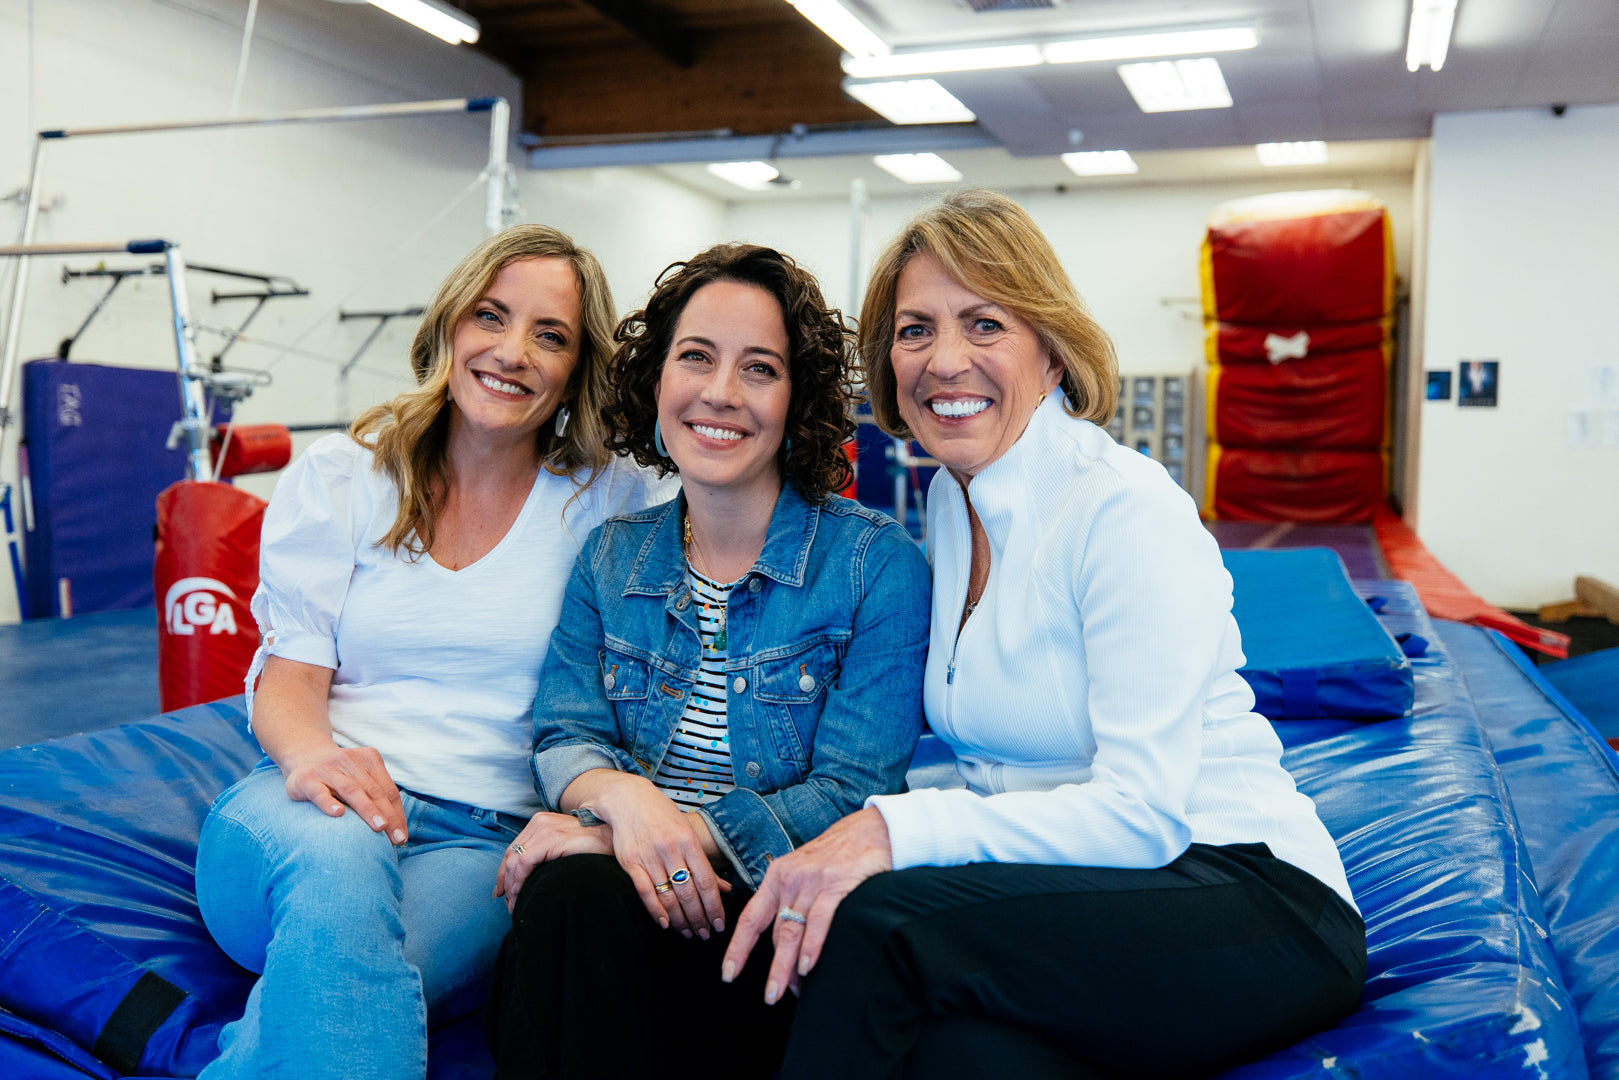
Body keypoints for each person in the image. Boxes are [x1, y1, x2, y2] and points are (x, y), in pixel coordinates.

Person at [723, 189, 1367, 1080]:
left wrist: (889, 832)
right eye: (914, 330)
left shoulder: (1123, 509)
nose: (944, 360)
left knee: (881, 923)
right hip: (1087, 891)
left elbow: (1143, 814)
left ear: (1051, 352)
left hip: (1245, 893)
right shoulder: (951, 505)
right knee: (958, 1055)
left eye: (983, 323)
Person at [193, 224, 676, 1080]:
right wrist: (313, 761)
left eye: (550, 336)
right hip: (311, 812)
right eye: (491, 316)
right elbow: (291, 675)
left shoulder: (610, 500)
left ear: (576, 370)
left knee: (355, 981)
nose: (511, 351)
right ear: (451, 325)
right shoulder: (344, 475)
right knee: (341, 878)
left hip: (482, 844)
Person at [483, 243, 931, 1080]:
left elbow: (849, 794)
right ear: (657, 380)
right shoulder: (612, 559)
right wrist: (621, 803)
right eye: (695, 357)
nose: (719, 393)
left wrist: (669, 835)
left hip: (778, 902)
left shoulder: (875, 567)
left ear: (795, 401)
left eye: (759, 368)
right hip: (626, 900)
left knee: (576, 886)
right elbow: (565, 734)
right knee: (562, 897)